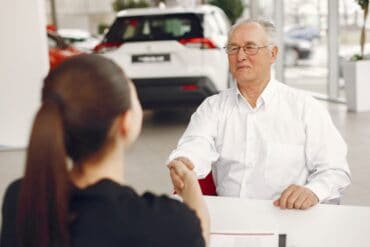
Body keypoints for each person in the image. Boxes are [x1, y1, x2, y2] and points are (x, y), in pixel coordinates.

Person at [1, 54, 209, 247]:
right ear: (125, 122)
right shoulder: (163, 223)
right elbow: (198, 236)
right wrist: (192, 187)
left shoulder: (20, 198)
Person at [167, 18, 351, 210]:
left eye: (250, 47)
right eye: (233, 48)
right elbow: (196, 143)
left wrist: (313, 191)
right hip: (231, 222)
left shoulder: (305, 107)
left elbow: (335, 169)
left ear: (273, 53)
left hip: (287, 219)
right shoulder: (213, 107)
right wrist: (185, 160)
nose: (240, 56)